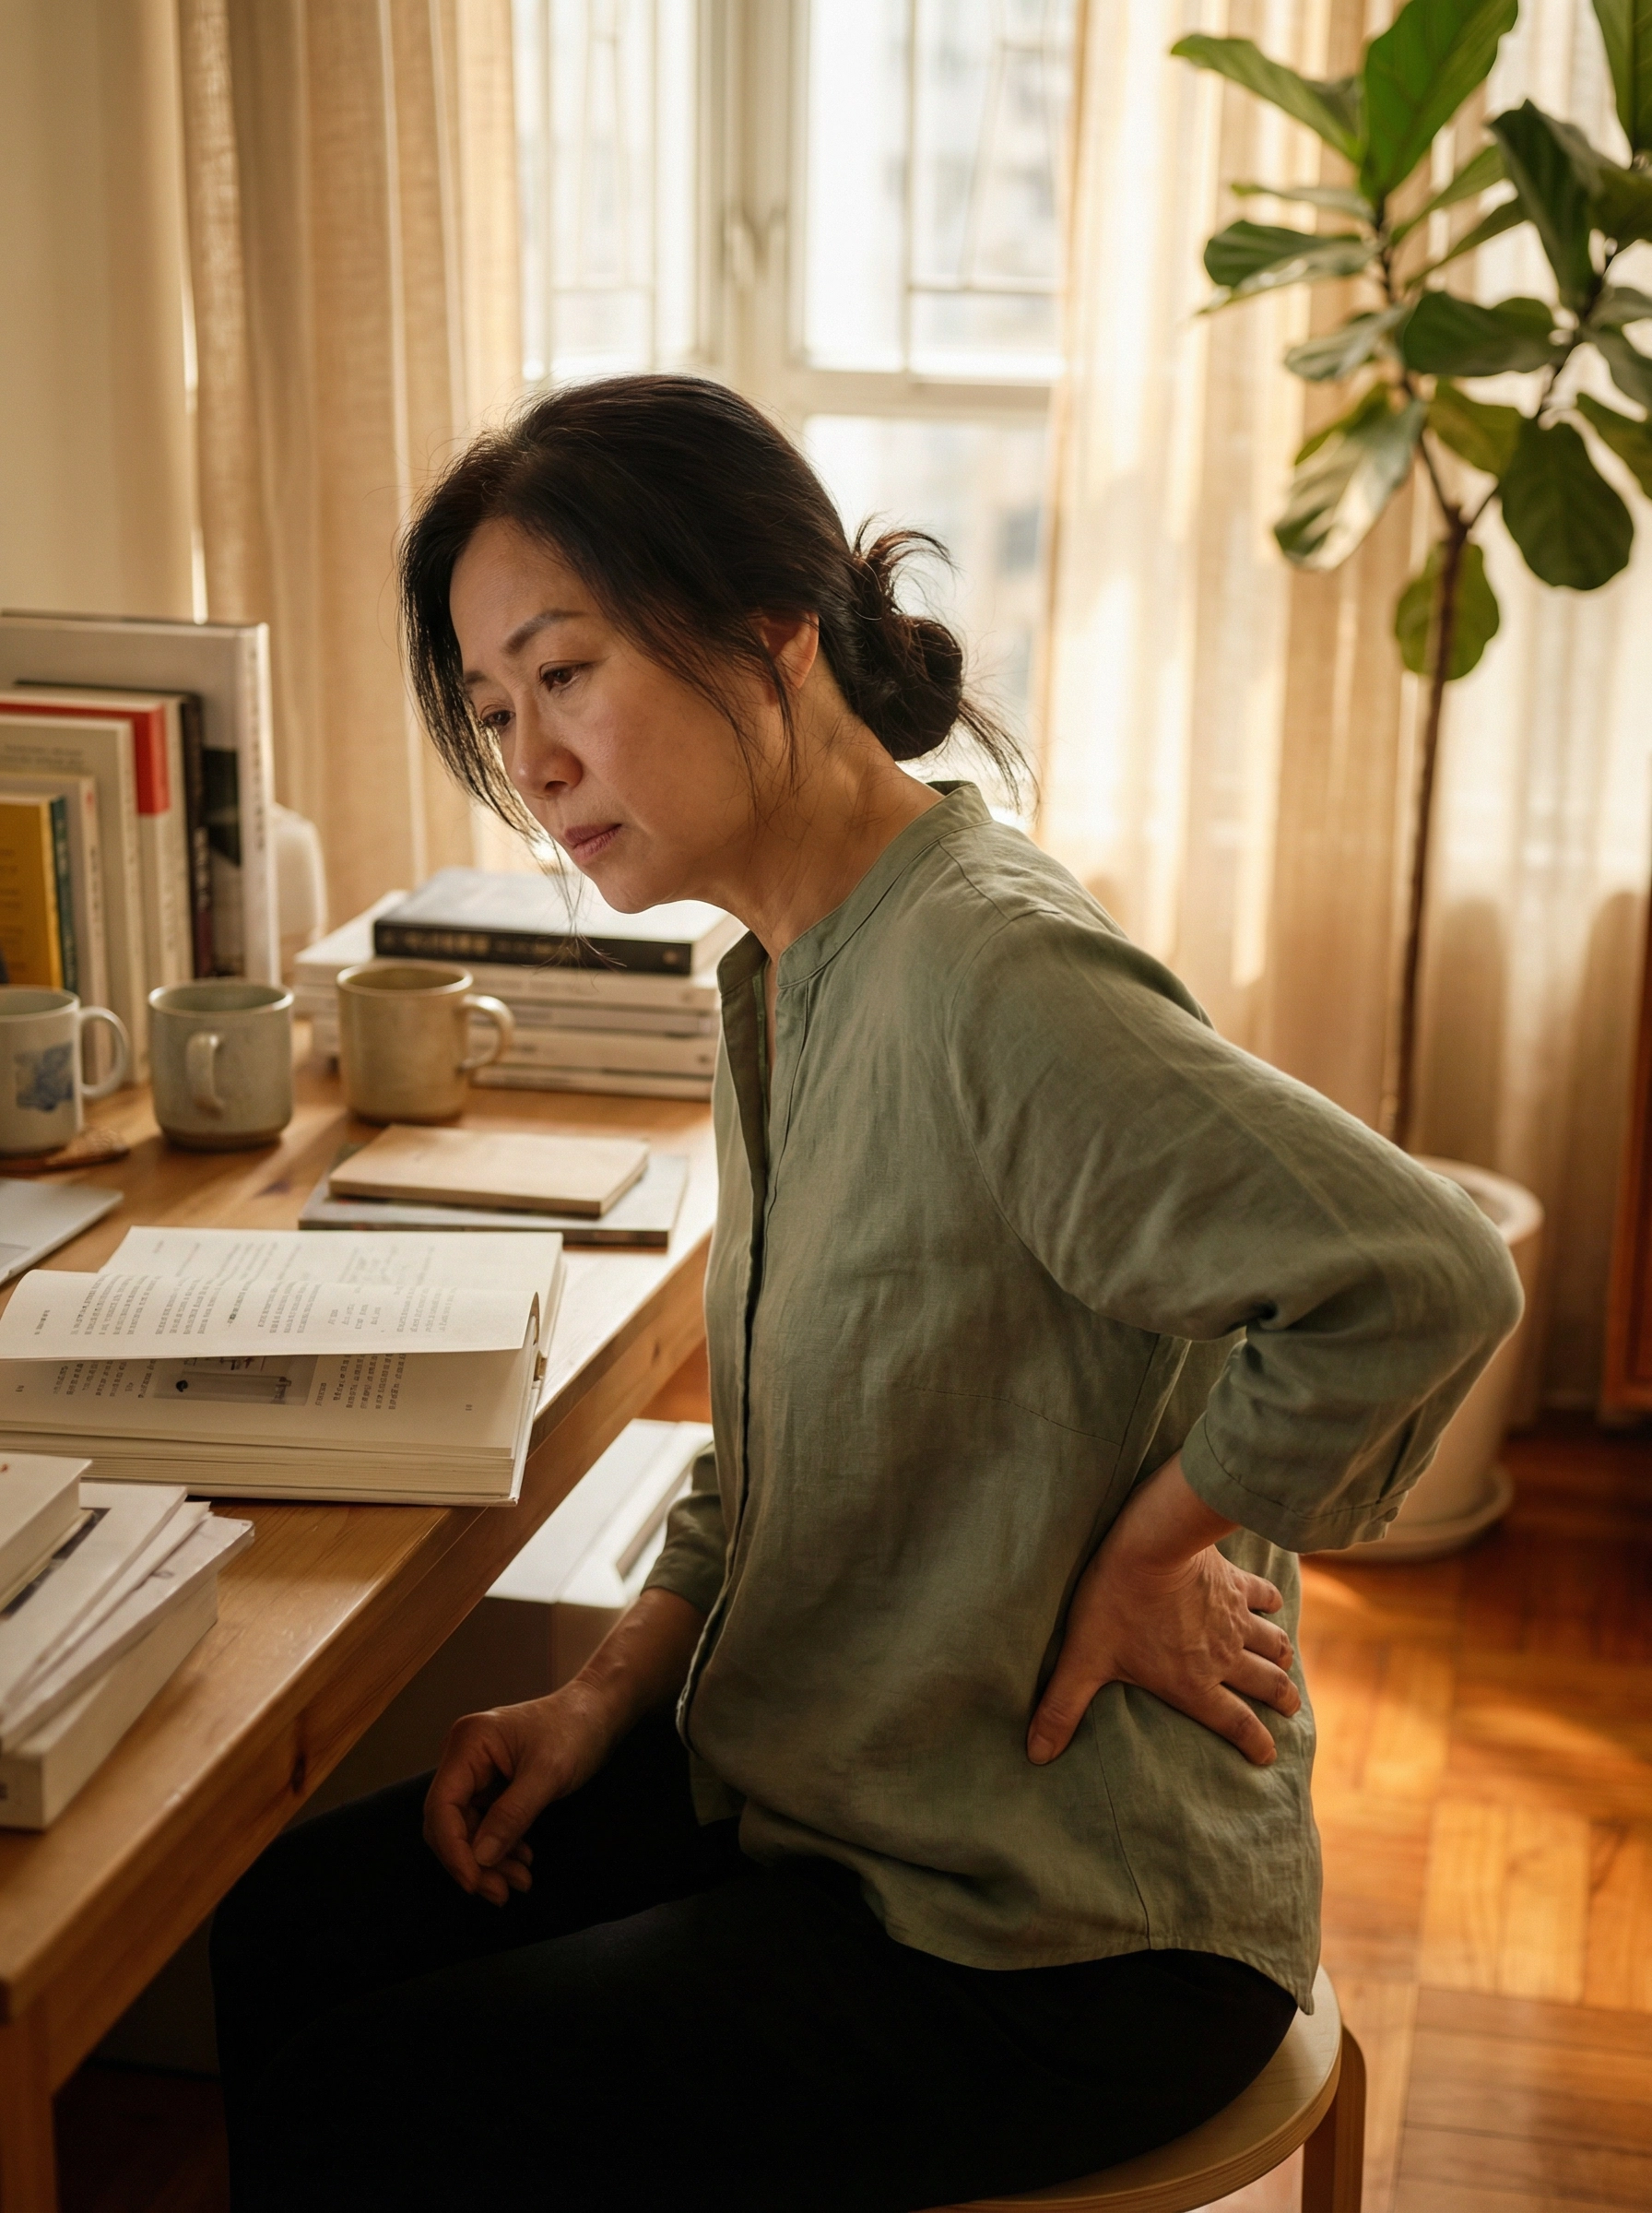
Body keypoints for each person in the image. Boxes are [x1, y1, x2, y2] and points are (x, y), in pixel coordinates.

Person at [211, 375, 1522, 2212]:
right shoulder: (778, 963)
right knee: (286, 1933)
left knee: (392, 2092)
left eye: (564, 674)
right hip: (838, 1774)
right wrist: (600, 1698)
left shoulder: (991, 975)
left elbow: (1419, 1275)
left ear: (770, 632)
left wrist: (1153, 1545)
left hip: (1050, 1928)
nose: (534, 759)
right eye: (497, 713)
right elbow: (772, 1449)